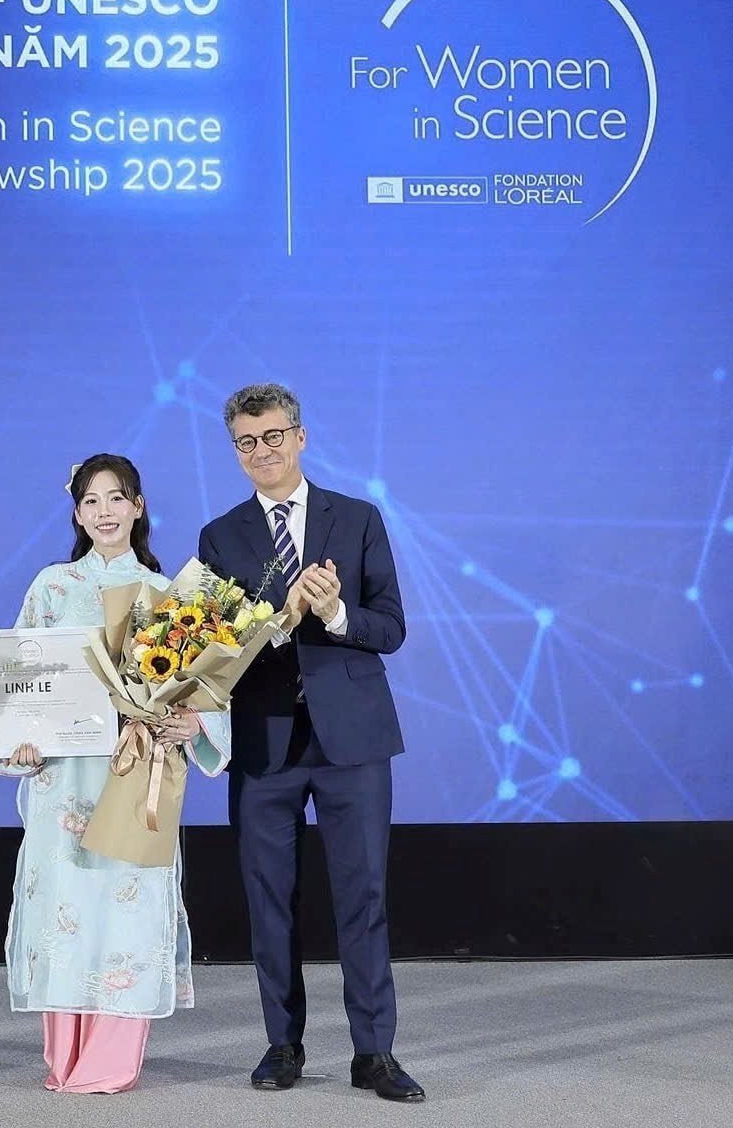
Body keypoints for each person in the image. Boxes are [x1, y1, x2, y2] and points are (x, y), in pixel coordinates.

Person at [197, 383, 423, 1102]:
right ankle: (283, 1045)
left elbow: (391, 628)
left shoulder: (356, 518)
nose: (261, 451)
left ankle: (374, 1054)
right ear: (235, 451)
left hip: (353, 740)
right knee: (269, 900)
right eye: (246, 442)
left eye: (273, 436)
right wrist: (281, 617)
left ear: (300, 436)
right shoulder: (219, 537)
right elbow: (214, 650)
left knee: (364, 895)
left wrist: (337, 614)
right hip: (264, 744)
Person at [0, 453, 230, 1093]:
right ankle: (64, 1057)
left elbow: (208, 690)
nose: (105, 512)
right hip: (63, 778)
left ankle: (111, 1061)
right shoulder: (51, 586)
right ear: (76, 514)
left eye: (116, 498)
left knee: (126, 908)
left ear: (138, 506)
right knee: (64, 907)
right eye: (91, 501)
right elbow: (15, 677)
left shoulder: (171, 595)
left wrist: (193, 725)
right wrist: (18, 741)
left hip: (133, 771)